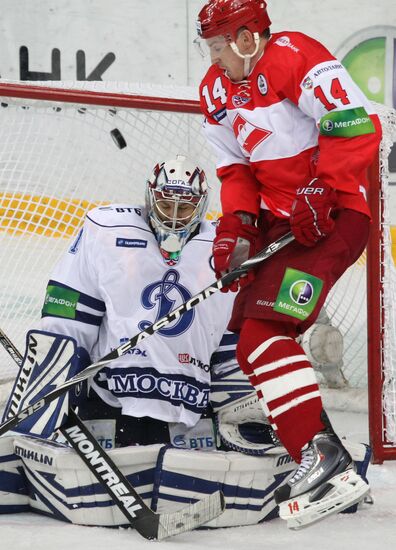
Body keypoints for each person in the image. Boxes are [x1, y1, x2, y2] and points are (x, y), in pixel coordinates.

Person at [195, 0, 381, 527]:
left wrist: (325, 186)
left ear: (247, 38)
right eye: (206, 46)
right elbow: (236, 169)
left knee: (261, 334)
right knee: (252, 344)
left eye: (217, 45)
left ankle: (321, 460)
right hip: (285, 226)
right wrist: (238, 228)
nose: (212, 57)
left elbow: (356, 125)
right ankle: (333, 460)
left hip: (334, 218)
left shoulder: (295, 56)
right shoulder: (215, 90)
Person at [4, 155, 244, 449]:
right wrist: (47, 392)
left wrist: (235, 403)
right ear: (150, 198)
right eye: (166, 205)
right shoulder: (107, 229)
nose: (173, 216)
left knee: (189, 493)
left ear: (202, 206)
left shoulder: (227, 249)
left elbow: (234, 340)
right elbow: (68, 316)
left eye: (185, 208)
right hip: (110, 402)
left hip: (191, 410)